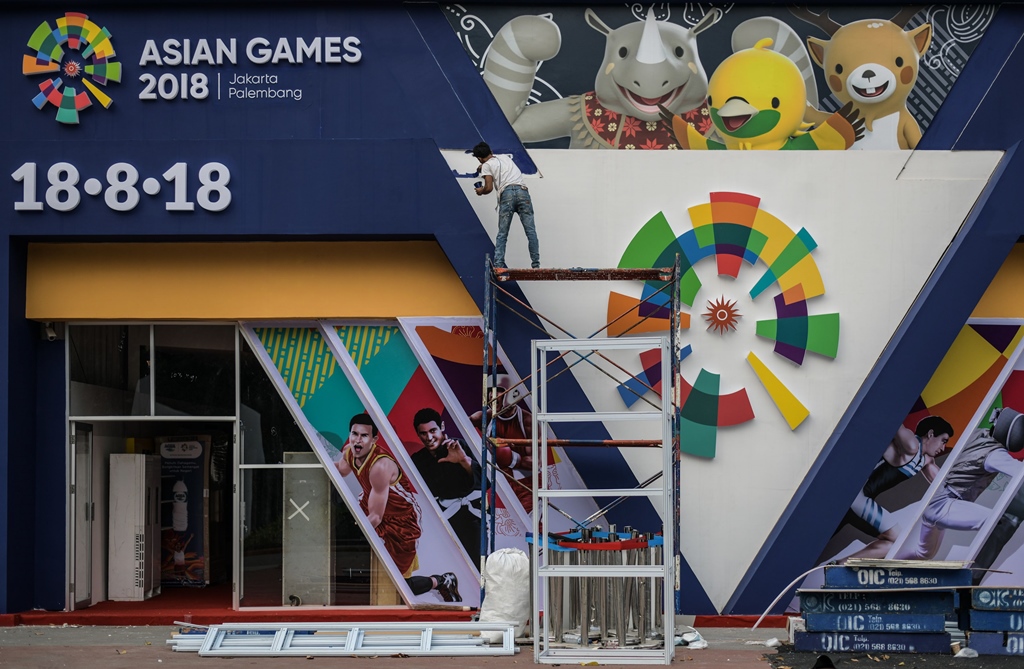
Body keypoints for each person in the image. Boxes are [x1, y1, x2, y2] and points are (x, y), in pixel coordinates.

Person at [332, 412, 460, 602]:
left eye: (364, 435)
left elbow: (375, 517)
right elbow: (341, 470)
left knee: (398, 584)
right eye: (354, 434)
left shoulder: (380, 466)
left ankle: (441, 581)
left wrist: (350, 541)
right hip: (373, 506)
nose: (357, 440)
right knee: (382, 577)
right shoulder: (350, 451)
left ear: (374, 439)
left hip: (402, 520)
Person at [897, 407, 1024, 562]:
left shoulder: (979, 432)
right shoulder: (995, 454)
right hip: (945, 505)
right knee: (999, 522)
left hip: (935, 500)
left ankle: (885, 566)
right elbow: (1020, 472)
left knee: (923, 554)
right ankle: (972, 573)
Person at [835, 416, 953, 561]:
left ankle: (838, 565)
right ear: (930, 434)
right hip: (857, 497)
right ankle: (838, 565)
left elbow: (944, 485)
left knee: (894, 544)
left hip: (863, 500)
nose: (943, 448)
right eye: (943, 440)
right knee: (899, 541)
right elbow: (893, 420)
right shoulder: (912, 444)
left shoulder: (925, 460)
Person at [410, 408, 481, 562]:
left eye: (433, 430)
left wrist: (464, 461)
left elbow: (485, 482)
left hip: (472, 521)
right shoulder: (417, 459)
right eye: (423, 433)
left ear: (442, 427)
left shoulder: (459, 445)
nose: (429, 437)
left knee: (478, 565)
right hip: (440, 523)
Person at [471, 373, 535, 513]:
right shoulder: (483, 417)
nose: (492, 398)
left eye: (496, 393)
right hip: (498, 483)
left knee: (531, 527)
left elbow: (536, 462)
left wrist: (509, 457)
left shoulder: (527, 421)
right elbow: (462, 428)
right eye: (489, 393)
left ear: (511, 394)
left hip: (526, 485)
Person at [473, 141, 540, 269]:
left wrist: (480, 191)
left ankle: (498, 263)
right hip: (522, 192)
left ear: (479, 158)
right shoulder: (504, 157)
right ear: (491, 152)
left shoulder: (487, 166)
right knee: (530, 231)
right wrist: (483, 166)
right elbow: (494, 163)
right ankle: (536, 264)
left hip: (507, 195)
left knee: (503, 233)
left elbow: (488, 188)